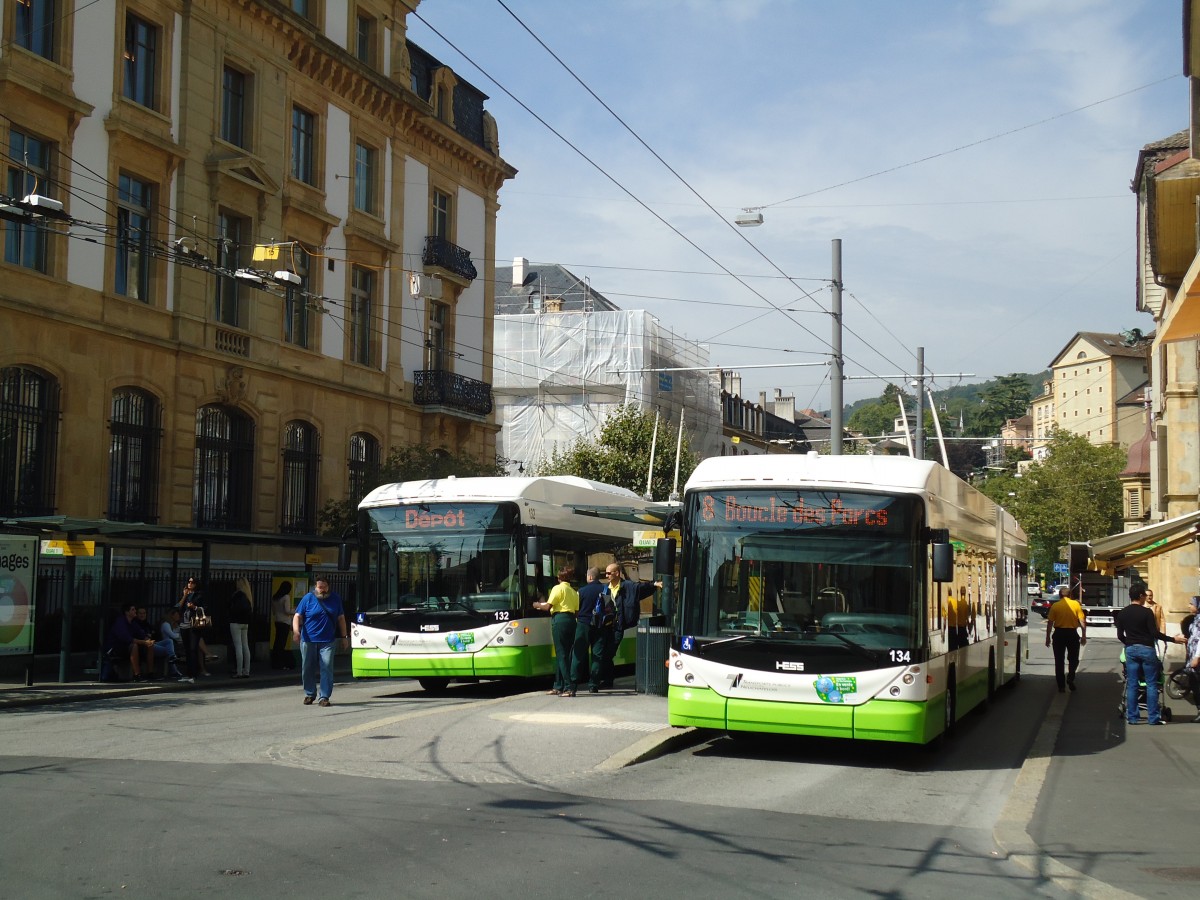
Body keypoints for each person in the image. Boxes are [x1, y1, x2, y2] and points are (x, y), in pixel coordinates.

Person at [1115, 582, 1184, 725]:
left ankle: (1133, 717)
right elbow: (1154, 633)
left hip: (1131, 649)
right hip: (1147, 649)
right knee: (1151, 684)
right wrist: (1172, 639)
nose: (1145, 598)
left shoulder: (1123, 613)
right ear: (1140, 596)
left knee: (1133, 684)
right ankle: (1153, 718)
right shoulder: (1147, 612)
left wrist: (1129, 642)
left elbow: (1120, 635)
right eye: (1144, 596)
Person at [596, 563, 660, 689]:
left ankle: (607, 680)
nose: (606, 575)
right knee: (604, 653)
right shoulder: (605, 588)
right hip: (606, 626)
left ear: (617, 573)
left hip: (618, 626)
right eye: (606, 573)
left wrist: (653, 584)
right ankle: (606, 679)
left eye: (609, 573)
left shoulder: (628, 586)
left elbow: (640, 587)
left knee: (609, 652)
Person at [292, 578, 348, 707]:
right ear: (315, 587)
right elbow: (297, 616)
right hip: (308, 640)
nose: (321, 589)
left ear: (328, 587)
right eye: (319, 587)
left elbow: (341, 618)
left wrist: (344, 637)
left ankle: (324, 697)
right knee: (307, 668)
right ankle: (310, 694)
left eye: (324, 587)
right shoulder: (308, 598)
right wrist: (296, 631)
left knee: (327, 666)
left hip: (327, 640)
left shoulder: (335, 599)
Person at [533, 566, 580, 696]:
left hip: (559, 619)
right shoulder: (573, 591)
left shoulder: (557, 588)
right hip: (571, 621)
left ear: (559, 577)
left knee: (561, 654)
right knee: (566, 653)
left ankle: (569, 687)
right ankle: (558, 686)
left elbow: (548, 606)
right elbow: (577, 612)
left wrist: (536, 605)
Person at [1044, 584, 1087, 692]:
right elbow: (1082, 621)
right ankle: (1070, 677)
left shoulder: (1055, 606)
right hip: (1072, 634)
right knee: (1073, 659)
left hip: (1059, 634)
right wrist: (1083, 636)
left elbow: (1050, 623)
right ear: (1070, 595)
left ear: (1059, 595)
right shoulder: (1076, 605)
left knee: (1059, 661)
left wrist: (1048, 637)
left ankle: (1061, 686)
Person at [103, 604, 156, 682]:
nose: (135, 611)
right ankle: (137, 675)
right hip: (115, 648)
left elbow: (141, 634)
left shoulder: (133, 623)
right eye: (133, 609)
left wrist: (148, 640)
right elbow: (127, 639)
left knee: (150, 645)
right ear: (127, 612)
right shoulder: (120, 622)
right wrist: (144, 642)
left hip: (126, 647)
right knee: (134, 646)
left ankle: (150, 673)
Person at [575, 567, 604, 694]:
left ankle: (573, 683)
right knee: (597, 655)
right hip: (600, 626)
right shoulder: (606, 589)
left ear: (590, 577)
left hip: (583, 624)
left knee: (578, 654)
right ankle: (593, 685)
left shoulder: (581, 591)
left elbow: (576, 609)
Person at [178, 577, 211, 678]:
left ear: (196, 584)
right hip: (184, 624)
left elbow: (205, 608)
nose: (190, 584)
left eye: (192, 582)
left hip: (194, 624)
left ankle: (193, 672)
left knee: (193, 648)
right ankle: (189, 672)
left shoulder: (199, 595)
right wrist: (184, 596)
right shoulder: (185, 594)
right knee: (187, 649)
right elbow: (178, 607)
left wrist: (195, 607)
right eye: (189, 582)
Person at [228, 577, 253, 678]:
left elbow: (232, 608)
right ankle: (246, 670)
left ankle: (239, 671)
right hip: (245, 623)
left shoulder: (237, 595)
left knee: (238, 646)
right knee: (245, 646)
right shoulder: (248, 596)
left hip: (235, 622)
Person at [1181, 596, 1200, 723]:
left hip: (1197, 658)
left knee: (1197, 685)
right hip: (1192, 656)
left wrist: (1197, 657)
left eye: (1191, 603)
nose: (1189, 606)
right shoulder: (1195, 620)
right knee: (1194, 684)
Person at [270, 581, 294, 669]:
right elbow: (287, 611)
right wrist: (295, 611)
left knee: (277, 642)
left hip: (277, 621)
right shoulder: (286, 597)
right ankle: (280, 664)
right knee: (282, 643)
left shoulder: (275, 597)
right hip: (285, 622)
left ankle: (275, 662)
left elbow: (273, 611)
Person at [160, 609, 188, 681]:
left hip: (176, 643)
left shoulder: (175, 624)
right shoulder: (166, 624)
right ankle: (175, 672)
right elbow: (173, 635)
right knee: (172, 652)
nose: (178, 616)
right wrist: (182, 635)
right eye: (177, 614)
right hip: (170, 644)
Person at [946, 586, 973, 650]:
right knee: (964, 649)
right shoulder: (965, 603)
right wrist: (969, 628)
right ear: (965, 593)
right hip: (963, 629)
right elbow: (967, 618)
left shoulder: (957, 603)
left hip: (957, 629)